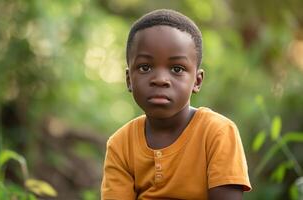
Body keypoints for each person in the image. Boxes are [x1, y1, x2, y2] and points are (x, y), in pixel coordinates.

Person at [101, 9, 251, 200]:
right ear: (129, 79)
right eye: (145, 67)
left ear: (197, 81)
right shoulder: (120, 145)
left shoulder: (217, 133)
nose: (160, 79)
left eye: (177, 69)